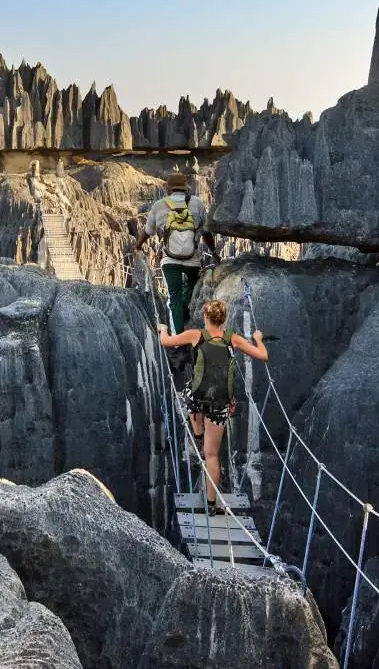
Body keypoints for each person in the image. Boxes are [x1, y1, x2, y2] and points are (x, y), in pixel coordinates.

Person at [158, 299, 268, 516]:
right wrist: (257, 339)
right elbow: (263, 356)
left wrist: (163, 328)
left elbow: (166, 342)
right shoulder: (233, 339)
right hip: (220, 403)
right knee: (212, 456)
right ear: (224, 319)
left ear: (206, 318)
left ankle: (197, 429)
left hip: (198, 398)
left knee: (187, 392)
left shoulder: (195, 335)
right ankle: (211, 503)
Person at [134, 173, 213, 335]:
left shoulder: (159, 205)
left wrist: (137, 246)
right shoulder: (197, 203)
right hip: (193, 260)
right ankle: (186, 312)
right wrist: (215, 252)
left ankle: (179, 341)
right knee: (192, 288)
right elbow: (206, 232)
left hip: (170, 260)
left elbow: (147, 232)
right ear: (186, 189)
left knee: (174, 298)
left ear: (168, 189)